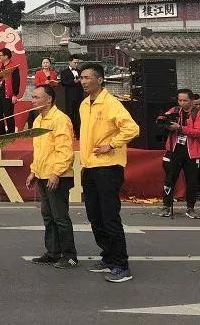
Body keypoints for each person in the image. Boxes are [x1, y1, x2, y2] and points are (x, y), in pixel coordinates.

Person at [79, 63, 139, 283]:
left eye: (87, 77)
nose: (83, 81)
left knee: (110, 217)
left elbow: (132, 128)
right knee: (95, 216)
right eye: (81, 77)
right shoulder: (85, 104)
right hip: (90, 167)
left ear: (100, 80)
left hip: (108, 167)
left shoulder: (111, 103)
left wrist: (112, 145)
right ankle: (108, 257)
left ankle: (122, 266)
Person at [26, 85, 77, 269]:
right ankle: (53, 252)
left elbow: (65, 150)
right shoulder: (38, 120)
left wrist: (56, 173)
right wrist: (33, 171)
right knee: (48, 216)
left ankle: (70, 255)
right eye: (32, 97)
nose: (33, 100)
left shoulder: (60, 119)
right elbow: (39, 151)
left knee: (60, 217)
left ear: (49, 99)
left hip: (58, 176)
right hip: (42, 174)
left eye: (36, 97)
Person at [157, 89, 200, 219]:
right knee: (169, 179)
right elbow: (161, 120)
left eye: (185, 100)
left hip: (192, 152)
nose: (182, 103)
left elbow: (199, 132)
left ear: (191, 100)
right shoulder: (174, 110)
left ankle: (190, 208)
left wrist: (180, 128)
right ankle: (166, 206)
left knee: (192, 181)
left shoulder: (199, 113)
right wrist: (165, 122)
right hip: (174, 149)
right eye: (180, 100)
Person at [0, 48, 20, 135]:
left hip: (8, 94)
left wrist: (15, 94)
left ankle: (10, 133)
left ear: (6, 56)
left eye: (0, 55)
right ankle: (1, 132)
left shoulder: (13, 67)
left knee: (8, 114)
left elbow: (16, 81)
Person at [60, 56, 83, 138]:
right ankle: (69, 133)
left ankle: (79, 133)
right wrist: (73, 82)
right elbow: (63, 82)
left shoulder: (80, 72)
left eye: (77, 63)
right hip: (69, 97)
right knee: (69, 114)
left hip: (79, 96)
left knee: (79, 115)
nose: (76, 64)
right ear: (70, 62)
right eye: (74, 62)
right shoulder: (64, 72)